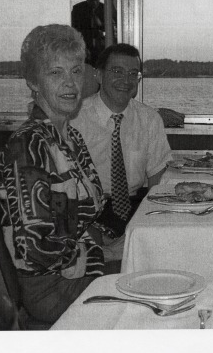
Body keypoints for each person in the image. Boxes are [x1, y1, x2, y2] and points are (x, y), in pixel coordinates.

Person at [0, 25, 106, 324]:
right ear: (34, 81)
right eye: (55, 73)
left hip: (85, 266)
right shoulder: (29, 144)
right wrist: (89, 250)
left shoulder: (70, 137)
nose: (70, 83)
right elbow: (37, 251)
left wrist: (93, 245)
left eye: (75, 71)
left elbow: (86, 213)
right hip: (54, 290)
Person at [71, 43, 172, 237]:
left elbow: (157, 178)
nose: (126, 80)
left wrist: (157, 220)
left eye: (133, 74)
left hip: (136, 205)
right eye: (117, 71)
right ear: (99, 75)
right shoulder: (75, 120)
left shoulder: (149, 119)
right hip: (89, 210)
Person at [71, 0, 105, 65]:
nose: (95, 3)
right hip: (84, 43)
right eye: (92, 1)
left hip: (100, 44)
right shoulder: (78, 9)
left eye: (97, 0)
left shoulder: (104, 8)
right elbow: (74, 29)